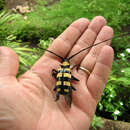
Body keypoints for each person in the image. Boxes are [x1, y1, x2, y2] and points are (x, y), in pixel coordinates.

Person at [0, 16, 114, 130]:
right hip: (64, 87)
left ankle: (58, 96)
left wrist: (54, 73)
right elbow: (73, 79)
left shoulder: (60, 71)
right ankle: (62, 96)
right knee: (70, 84)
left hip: (60, 87)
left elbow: (55, 74)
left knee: (65, 84)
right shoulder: (68, 71)